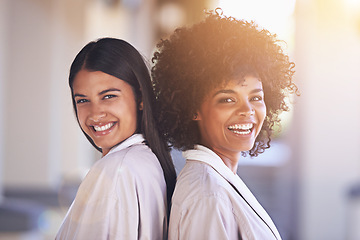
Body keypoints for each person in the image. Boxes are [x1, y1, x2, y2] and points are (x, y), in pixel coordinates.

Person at [151, 9, 298, 240]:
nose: (247, 110)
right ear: (192, 109)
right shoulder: (208, 196)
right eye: (227, 99)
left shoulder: (216, 181)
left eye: (256, 97)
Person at [56, 38, 176, 239]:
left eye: (108, 96)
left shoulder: (115, 171)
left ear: (139, 97)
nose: (95, 114)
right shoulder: (146, 160)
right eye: (83, 100)